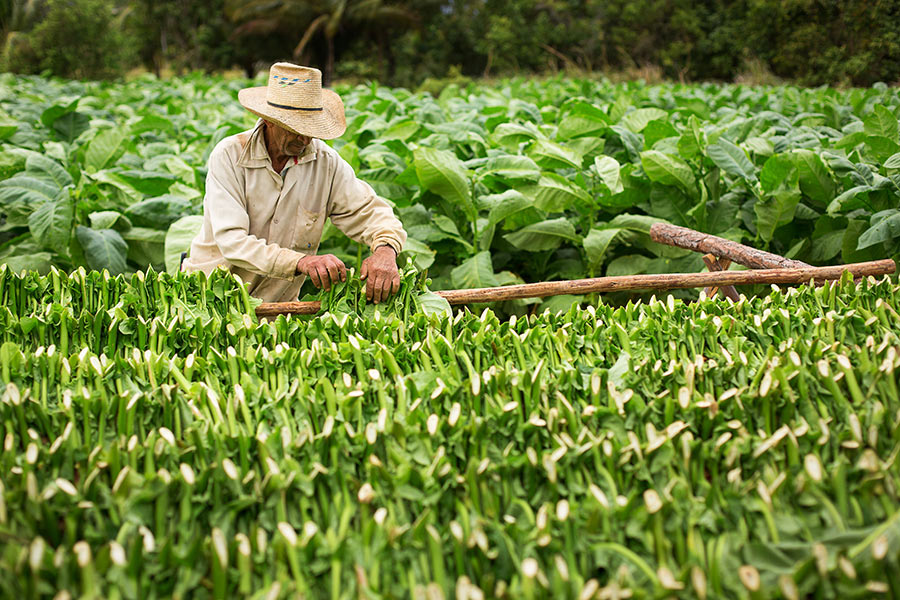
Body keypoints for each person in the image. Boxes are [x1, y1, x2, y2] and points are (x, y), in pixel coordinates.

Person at [182, 62, 407, 304]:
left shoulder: (325, 162)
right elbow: (232, 242)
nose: (305, 138)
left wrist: (386, 249)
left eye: (310, 128)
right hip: (211, 304)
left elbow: (369, 211)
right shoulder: (230, 155)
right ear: (269, 121)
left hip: (278, 308)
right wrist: (301, 261)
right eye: (295, 129)